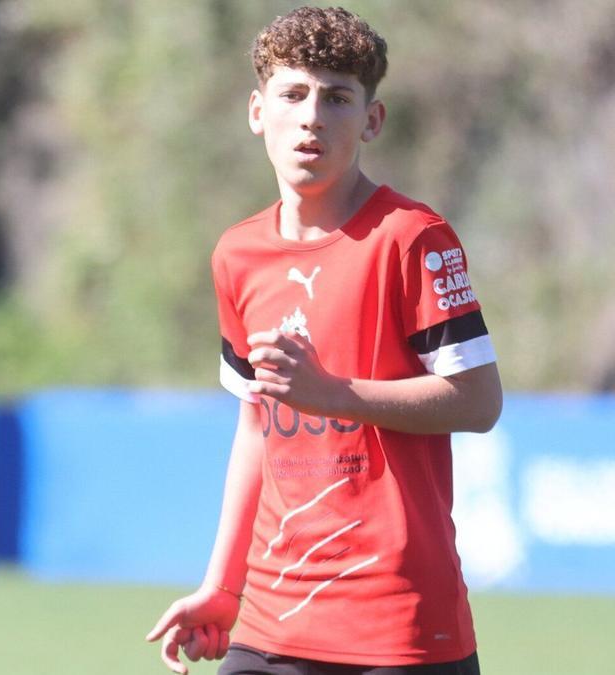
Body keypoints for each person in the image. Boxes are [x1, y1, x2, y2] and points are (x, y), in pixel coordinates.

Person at [146, 7, 501, 675]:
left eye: (337, 97)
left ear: (371, 120)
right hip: (272, 617)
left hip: (399, 626)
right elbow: (258, 422)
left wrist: (333, 394)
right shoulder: (237, 254)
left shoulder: (412, 238)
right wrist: (223, 587)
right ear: (259, 111)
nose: (312, 116)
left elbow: (478, 400)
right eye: (293, 94)